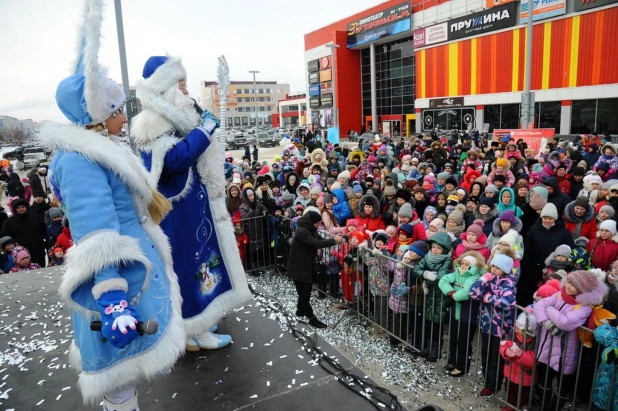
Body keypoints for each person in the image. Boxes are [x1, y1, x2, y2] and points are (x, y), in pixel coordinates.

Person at [40, 5, 186, 406]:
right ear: (97, 115)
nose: (124, 117)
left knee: (123, 374)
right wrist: (112, 300)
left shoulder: (96, 151)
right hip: (116, 279)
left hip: (128, 270)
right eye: (118, 110)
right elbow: (97, 235)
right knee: (118, 377)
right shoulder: (82, 161)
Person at [132, 55, 250, 350]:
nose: (186, 90)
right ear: (166, 87)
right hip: (180, 216)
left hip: (192, 215)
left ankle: (200, 321)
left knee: (201, 266)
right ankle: (195, 329)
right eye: (180, 84)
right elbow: (174, 159)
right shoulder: (152, 122)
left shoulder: (173, 117)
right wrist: (204, 131)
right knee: (189, 267)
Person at [533, 270, 608, 410]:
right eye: (568, 281)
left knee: (562, 385)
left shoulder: (584, 307)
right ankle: (543, 407)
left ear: (583, 289)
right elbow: (538, 305)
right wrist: (547, 322)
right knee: (545, 380)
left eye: (573, 284)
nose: (568, 286)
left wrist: (548, 308)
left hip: (565, 352)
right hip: (547, 345)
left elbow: (565, 322)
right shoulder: (560, 295)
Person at [469, 252, 517, 397]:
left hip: (500, 327)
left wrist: (489, 297)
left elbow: (507, 302)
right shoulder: (489, 279)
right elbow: (473, 293)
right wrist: (483, 280)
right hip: (486, 323)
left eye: (498, 267)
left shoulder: (508, 283)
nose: (494, 269)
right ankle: (487, 380)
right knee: (485, 353)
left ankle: (492, 385)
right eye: (493, 266)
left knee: (496, 357)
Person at [287, 211, 343, 328]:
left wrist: (339, 237)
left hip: (305, 265)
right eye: (317, 223)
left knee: (304, 290)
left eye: (319, 223)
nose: (318, 225)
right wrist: (334, 241)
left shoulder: (310, 229)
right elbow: (316, 243)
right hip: (299, 266)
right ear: (311, 222)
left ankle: (300, 311)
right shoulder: (302, 231)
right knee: (304, 292)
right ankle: (311, 318)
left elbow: (320, 238)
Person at [438, 251, 485, 377]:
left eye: (467, 264)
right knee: (454, 338)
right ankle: (452, 361)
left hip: (468, 315)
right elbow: (443, 281)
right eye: (462, 263)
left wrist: (453, 295)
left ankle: (461, 366)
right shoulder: (456, 273)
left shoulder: (474, 278)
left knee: (464, 341)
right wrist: (451, 292)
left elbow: (465, 293)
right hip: (455, 312)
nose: (463, 266)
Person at [1, 198, 47, 268]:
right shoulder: (8, 223)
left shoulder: (35, 217)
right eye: (18, 208)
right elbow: (5, 239)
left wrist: (44, 243)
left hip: (37, 251)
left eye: (23, 207)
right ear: (14, 209)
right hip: (20, 255)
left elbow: (44, 231)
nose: (21, 209)